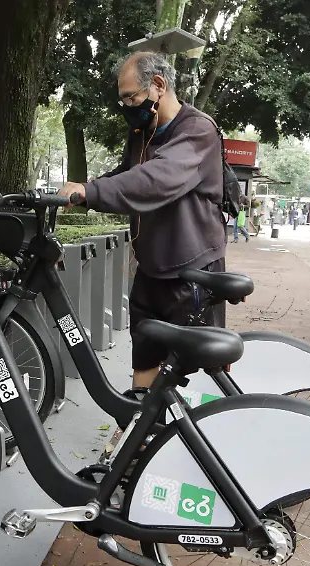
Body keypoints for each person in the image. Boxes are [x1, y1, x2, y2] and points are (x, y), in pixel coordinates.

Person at [57, 51, 226, 390]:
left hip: (190, 272)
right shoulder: (141, 131)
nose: (125, 106)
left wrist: (90, 191)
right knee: (146, 358)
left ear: (158, 86)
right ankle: (144, 430)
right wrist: (83, 194)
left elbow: (155, 179)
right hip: (150, 269)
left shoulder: (196, 130)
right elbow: (127, 175)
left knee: (197, 371)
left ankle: (208, 431)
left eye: (130, 96)